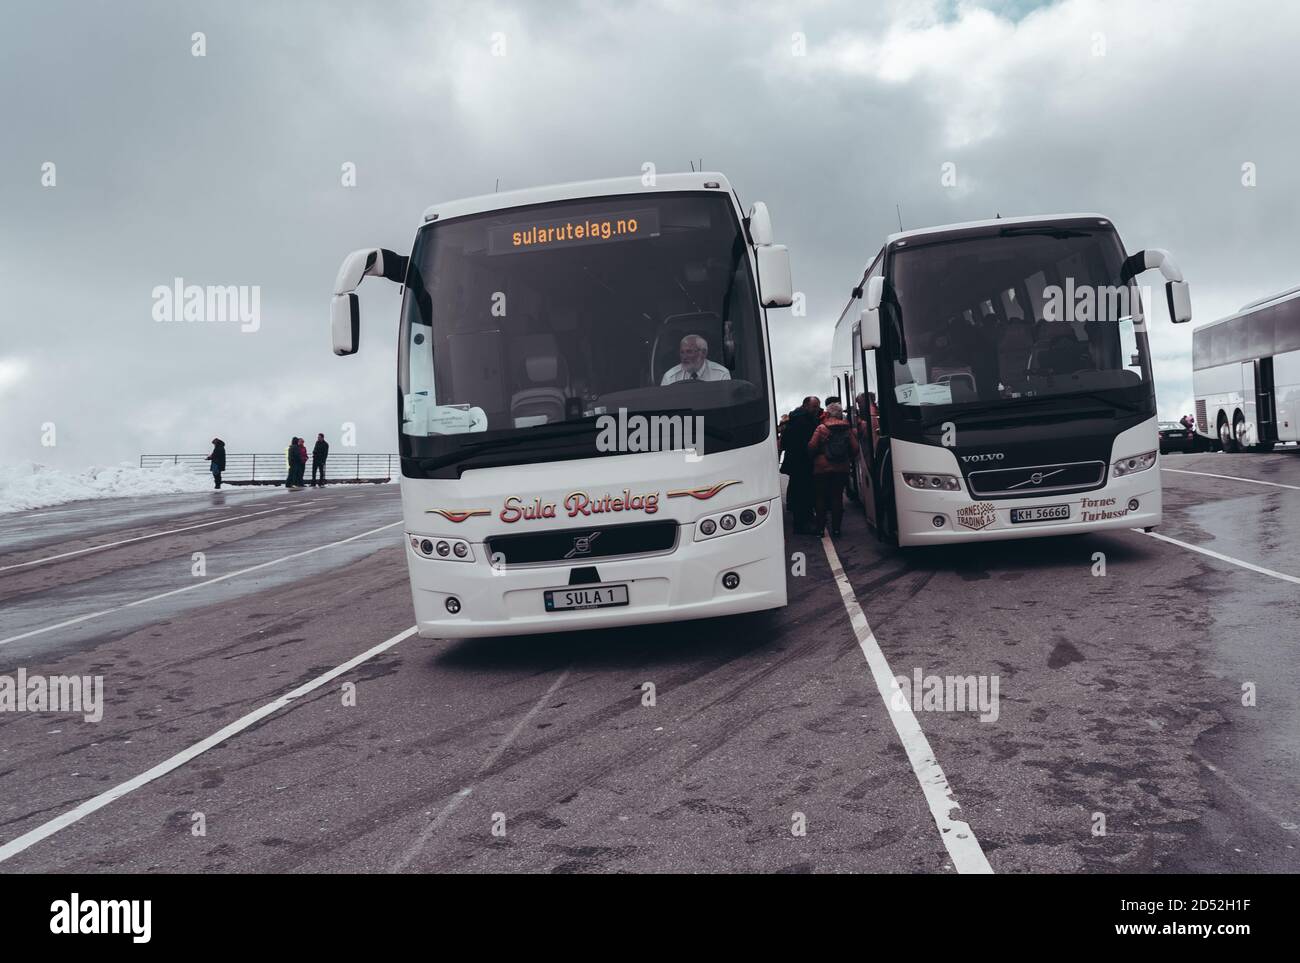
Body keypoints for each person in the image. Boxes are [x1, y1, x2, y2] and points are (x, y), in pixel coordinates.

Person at [808, 401, 859, 537]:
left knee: (820, 498)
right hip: (841, 468)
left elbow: (812, 447)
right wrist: (846, 458)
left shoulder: (821, 428)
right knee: (837, 498)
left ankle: (820, 529)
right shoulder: (847, 429)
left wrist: (815, 456)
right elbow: (855, 449)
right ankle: (836, 530)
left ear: (828, 413)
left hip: (821, 468)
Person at [780, 396, 821, 534]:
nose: (817, 409)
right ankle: (802, 524)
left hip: (795, 462)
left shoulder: (793, 420)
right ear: (806, 406)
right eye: (815, 406)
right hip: (803, 463)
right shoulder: (805, 422)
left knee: (799, 492)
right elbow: (809, 444)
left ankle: (802, 522)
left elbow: (784, 442)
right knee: (805, 494)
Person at [660, 334, 731, 384]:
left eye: (689, 352)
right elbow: (665, 403)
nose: (684, 357)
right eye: (682, 352)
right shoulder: (670, 377)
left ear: (703, 353)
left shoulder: (721, 374)